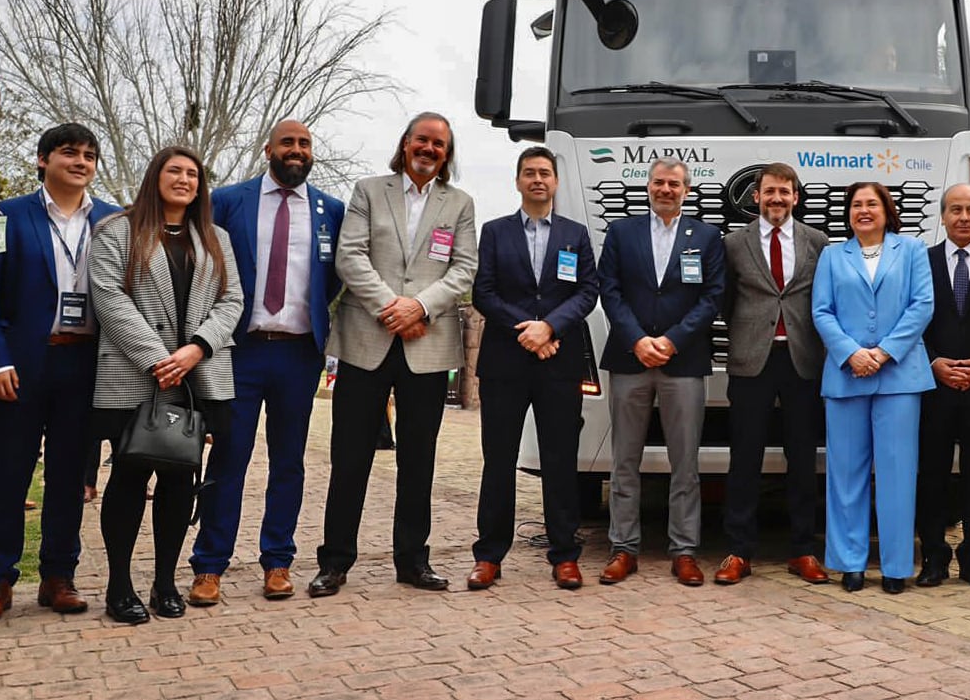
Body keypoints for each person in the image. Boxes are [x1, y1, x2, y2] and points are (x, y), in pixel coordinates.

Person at [308, 112, 478, 597]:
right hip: (367, 341)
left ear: (446, 154)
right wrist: (393, 307)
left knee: (419, 460)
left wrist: (421, 306)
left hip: (427, 346)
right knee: (349, 458)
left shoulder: (460, 204)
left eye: (439, 145)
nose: (429, 149)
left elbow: (464, 269)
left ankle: (412, 560)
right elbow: (350, 256)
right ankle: (335, 562)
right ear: (405, 144)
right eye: (422, 140)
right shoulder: (368, 191)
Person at [186, 120, 345, 605]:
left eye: (304, 144)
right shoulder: (230, 202)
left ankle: (278, 561)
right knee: (229, 457)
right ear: (268, 150)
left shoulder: (330, 211)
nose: (296, 151)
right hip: (240, 351)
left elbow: (332, 279)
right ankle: (209, 566)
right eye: (288, 143)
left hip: (299, 354)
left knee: (289, 462)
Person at [89, 146, 245, 624]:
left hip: (198, 376)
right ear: (155, 177)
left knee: (181, 479)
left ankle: (163, 582)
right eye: (174, 170)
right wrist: (159, 359)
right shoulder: (117, 230)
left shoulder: (214, 237)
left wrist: (197, 348)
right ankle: (119, 585)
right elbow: (108, 297)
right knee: (129, 477)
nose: (183, 179)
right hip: (135, 374)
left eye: (192, 174)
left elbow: (232, 299)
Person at [0, 124, 119, 620]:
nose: (82, 162)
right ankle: (1, 577)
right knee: (8, 473)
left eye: (90, 155)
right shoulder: (6, 216)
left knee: (71, 477)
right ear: (43, 160)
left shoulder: (114, 220)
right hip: (21, 365)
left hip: (85, 363)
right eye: (70, 153)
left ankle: (58, 577)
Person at [469, 146, 599, 591]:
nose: (538, 179)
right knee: (498, 461)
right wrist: (526, 330)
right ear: (518, 180)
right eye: (530, 173)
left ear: (556, 182)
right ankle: (488, 556)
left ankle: (564, 555)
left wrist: (550, 328)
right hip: (506, 362)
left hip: (558, 363)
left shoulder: (575, 234)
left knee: (561, 461)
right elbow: (483, 291)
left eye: (545, 172)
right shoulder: (495, 232)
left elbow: (587, 292)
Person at [596, 159, 724, 588]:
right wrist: (637, 340)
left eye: (674, 184)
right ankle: (623, 548)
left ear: (687, 190)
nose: (666, 189)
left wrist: (672, 341)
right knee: (625, 460)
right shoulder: (621, 232)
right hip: (630, 359)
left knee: (685, 462)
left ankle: (684, 550)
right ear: (647, 186)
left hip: (683, 362)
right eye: (659, 182)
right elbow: (608, 290)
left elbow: (712, 297)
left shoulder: (706, 237)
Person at [812, 182, 934, 594]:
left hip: (899, 376)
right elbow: (821, 311)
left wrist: (882, 353)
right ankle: (850, 563)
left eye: (872, 204)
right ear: (848, 213)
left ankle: (897, 565)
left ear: (887, 210)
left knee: (898, 473)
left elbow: (922, 305)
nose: (864, 210)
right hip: (846, 375)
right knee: (846, 474)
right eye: (857, 205)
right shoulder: (832, 256)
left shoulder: (912, 251)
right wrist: (851, 353)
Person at [715, 163, 830, 586]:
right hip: (752, 360)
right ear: (756, 197)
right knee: (744, 457)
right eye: (769, 192)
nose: (777, 199)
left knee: (802, 459)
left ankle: (802, 550)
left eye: (784, 192)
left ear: (796, 197)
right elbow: (725, 302)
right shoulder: (733, 244)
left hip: (803, 361)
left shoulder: (818, 242)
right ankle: (739, 551)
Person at [914, 184, 970, 590]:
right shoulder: (921, 262)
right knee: (930, 474)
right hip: (933, 386)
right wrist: (932, 362)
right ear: (943, 216)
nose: (963, 217)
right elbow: (911, 320)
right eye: (955, 210)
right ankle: (933, 555)